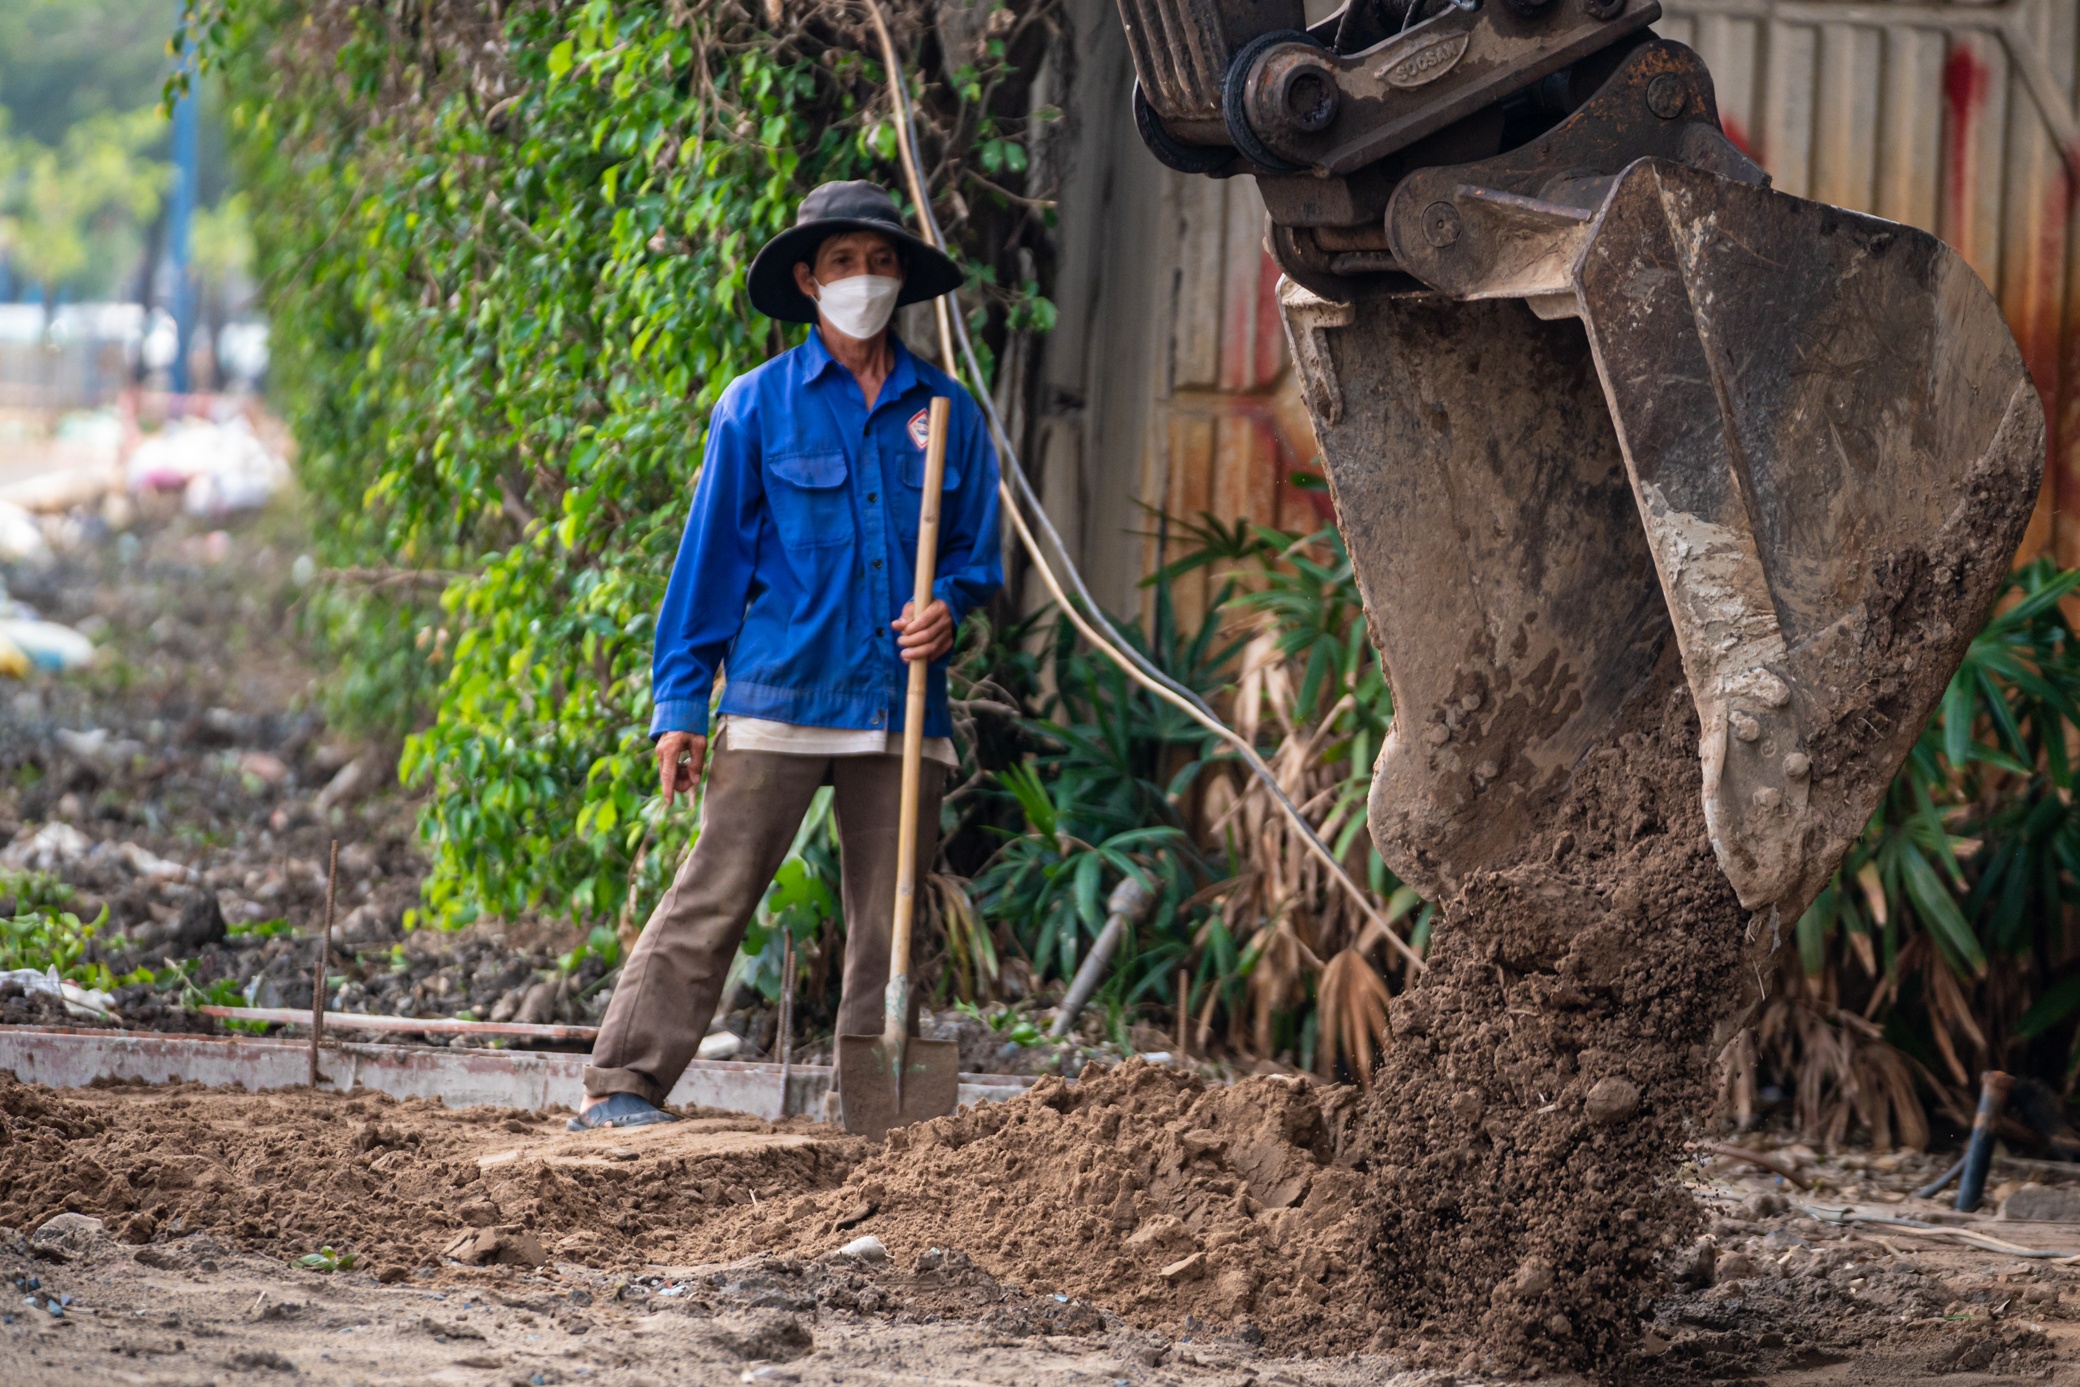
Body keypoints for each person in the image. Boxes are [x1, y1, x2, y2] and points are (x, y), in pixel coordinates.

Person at [570, 181, 1002, 1130]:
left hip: (900, 701)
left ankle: (878, 1120)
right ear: (808, 280)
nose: (865, 279)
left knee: (892, 925)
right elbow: (708, 566)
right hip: (779, 690)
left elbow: (978, 558)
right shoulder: (757, 407)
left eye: (882, 262)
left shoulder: (949, 414)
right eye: (844, 262)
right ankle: (624, 1084)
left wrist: (948, 609)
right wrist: (681, 705)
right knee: (716, 887)